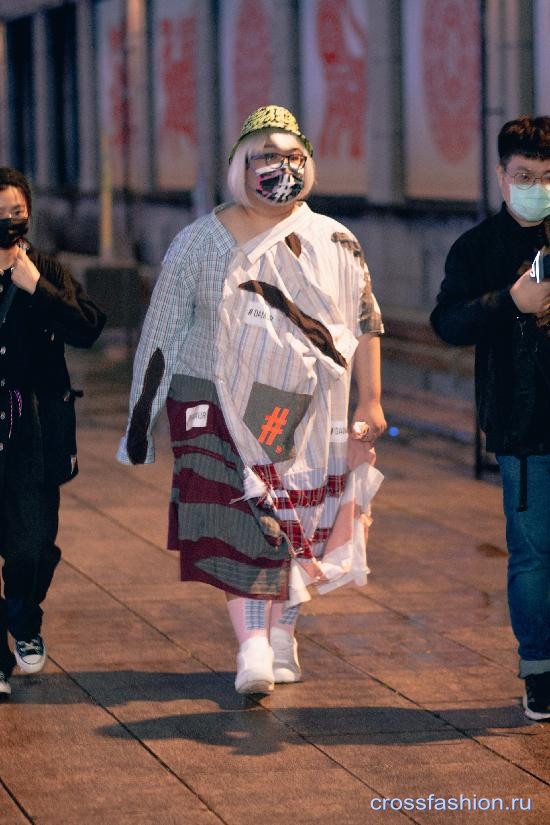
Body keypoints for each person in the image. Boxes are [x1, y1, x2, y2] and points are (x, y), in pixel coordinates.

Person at [118, 106, 385, 694]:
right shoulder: (196, 243)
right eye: (266, 156)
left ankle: (282, 632)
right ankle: (253, 645)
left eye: (292, 157)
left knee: (298, 525)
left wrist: (371, 402)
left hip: (300, 405)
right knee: (243, 522)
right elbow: (161, 331)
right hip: (208, 398)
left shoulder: (335, 240)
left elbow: (366, 320)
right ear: (240, 163)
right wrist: (138, 423)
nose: (279, 168)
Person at [430, 116, 550, 721]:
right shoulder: (477, 249)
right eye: (525, 176)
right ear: (502, 176)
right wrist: (511, 302)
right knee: (533, 553)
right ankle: (540, 672)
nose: (537, 187)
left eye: (549, 177)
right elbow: (447, 322)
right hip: (522, 424)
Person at [0, 168, 106, 700]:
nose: (7, 222)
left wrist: (37, 290)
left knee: (33, 547)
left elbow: (87, 328)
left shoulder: (45, 269)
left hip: (33, 432)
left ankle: (24, 618)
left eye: (16, 212)